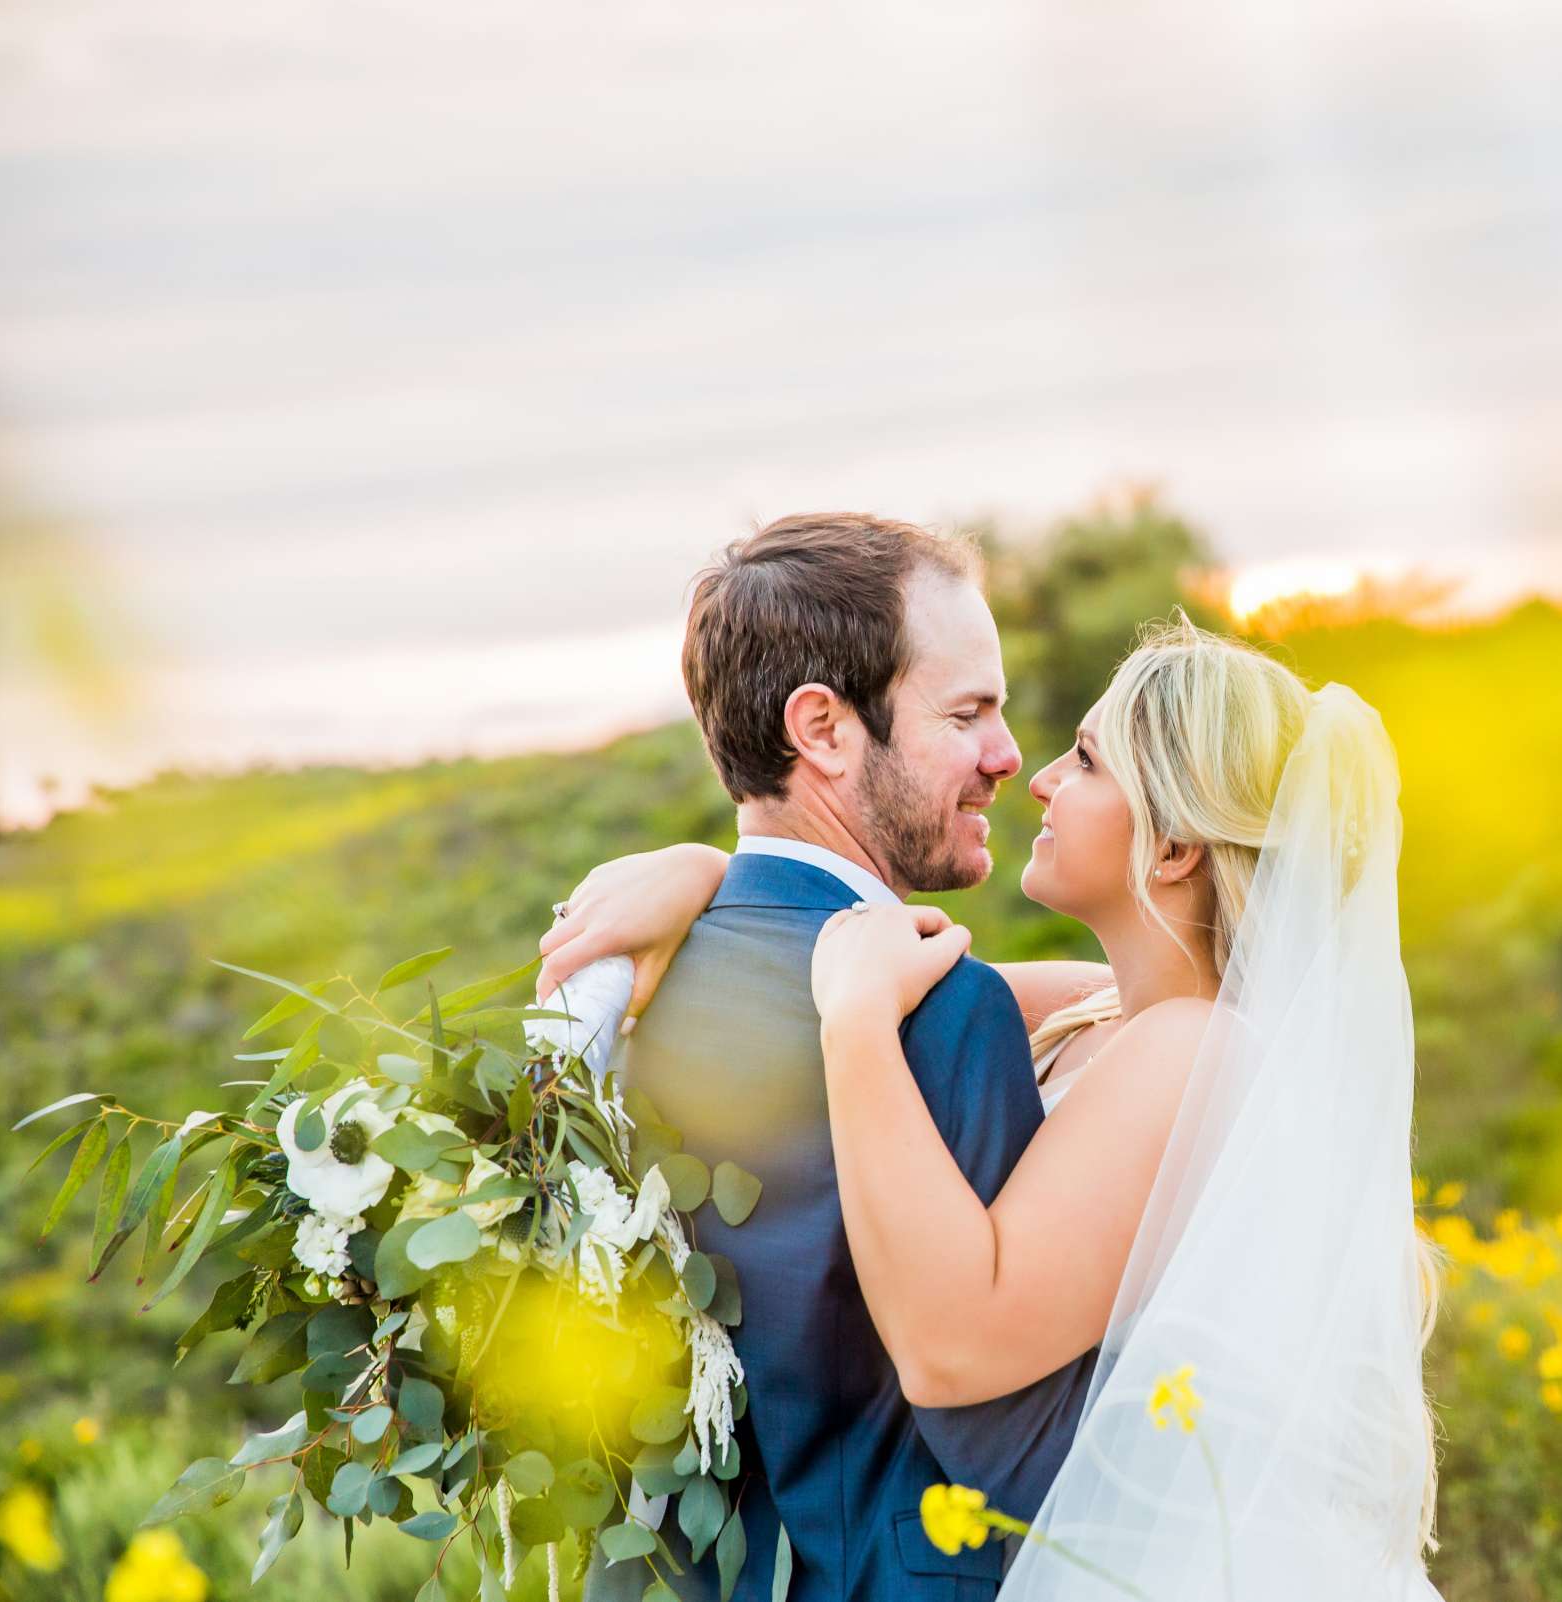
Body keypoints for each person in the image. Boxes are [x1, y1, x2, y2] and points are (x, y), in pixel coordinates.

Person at [547, 598, 1443, 1597]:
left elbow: (950, 1352)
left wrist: (855, 1031)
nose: (1045, 777)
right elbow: (853, 942)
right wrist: (703, 872)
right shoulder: (1096, 1010)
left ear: (1175, 850)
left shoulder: (1201, 1054)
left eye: (1091, 762)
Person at [563, 513, 1093, 1602]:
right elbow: (1010, 1425)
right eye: (967, 713)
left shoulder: (615, 993)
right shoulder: (944, 1020)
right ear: (825, 729)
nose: (1007, 756)